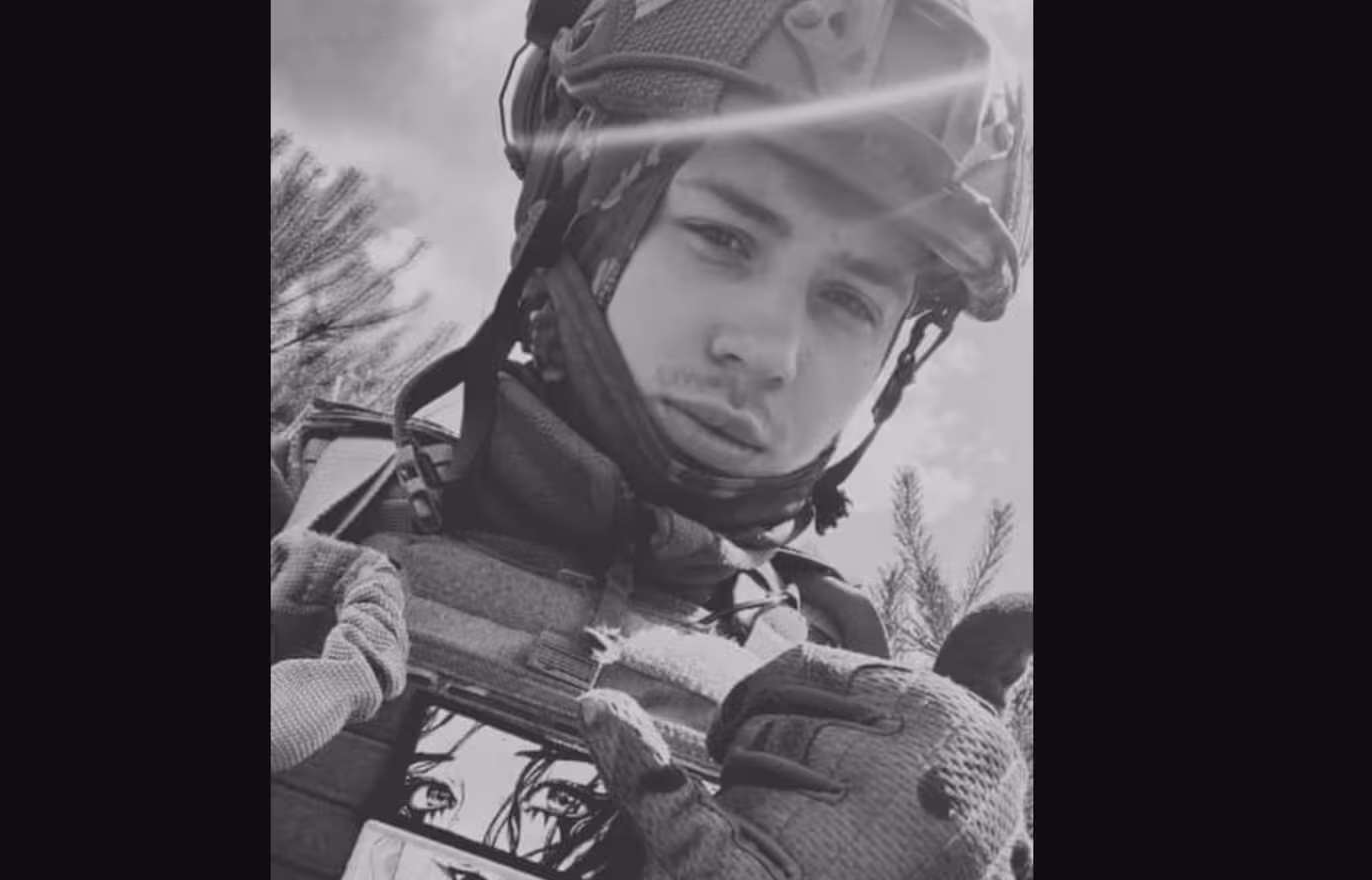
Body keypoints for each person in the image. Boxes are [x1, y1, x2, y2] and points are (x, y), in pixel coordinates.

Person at [271, 1, 1033, 878]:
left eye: (850, 301)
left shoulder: (854, 708)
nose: (770, 351)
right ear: (575, 216)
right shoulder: (302, 502)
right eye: (724, 237)